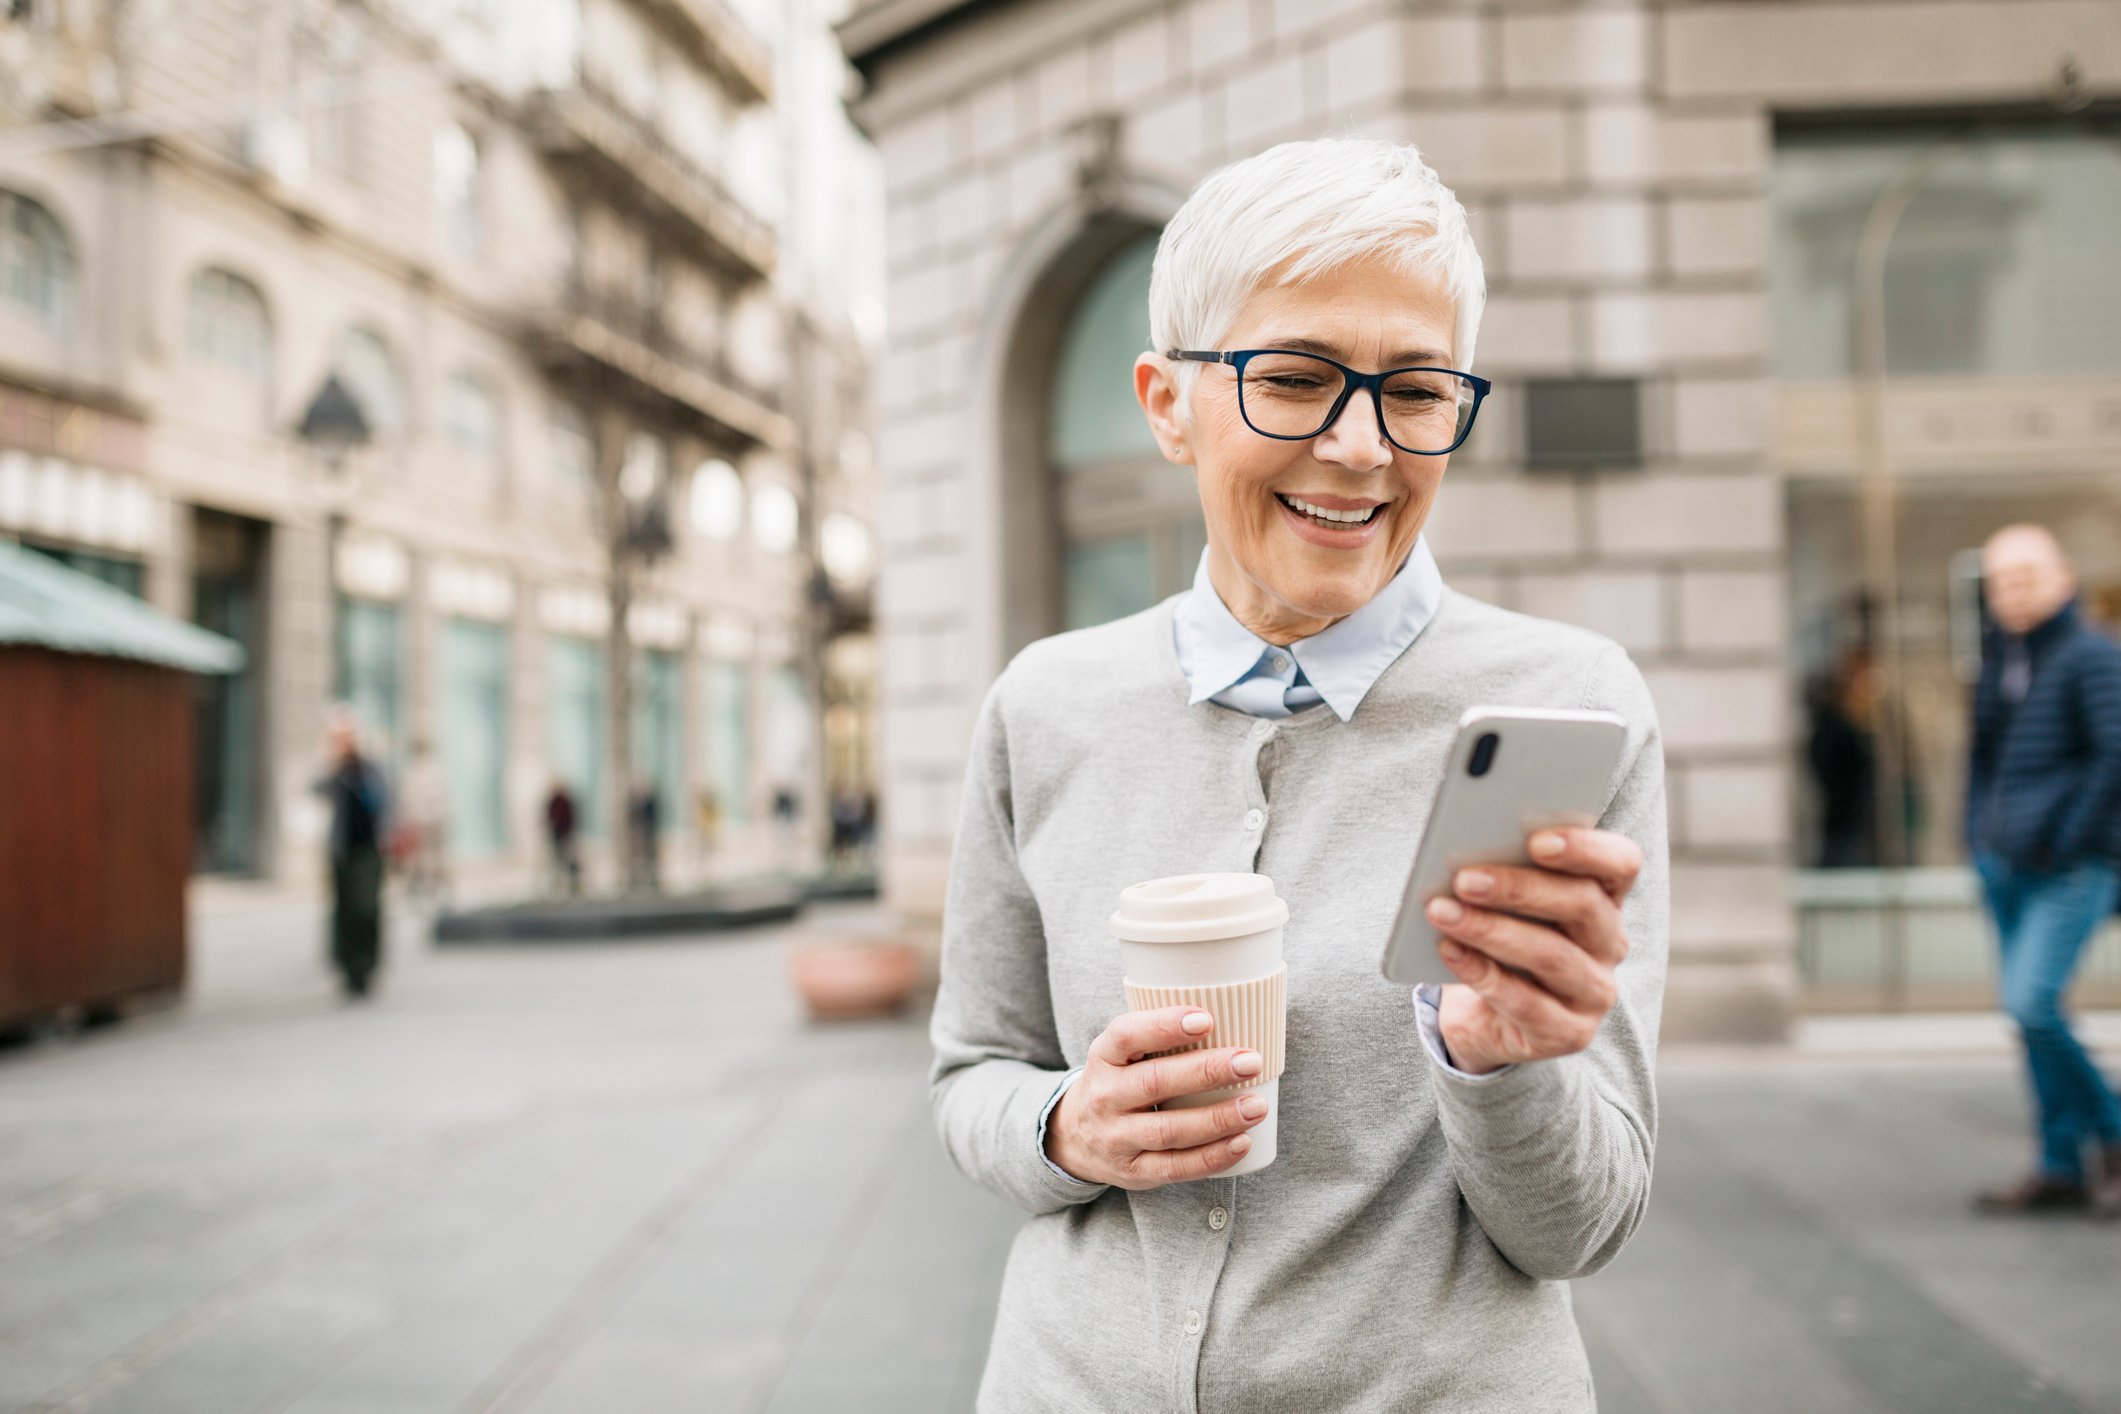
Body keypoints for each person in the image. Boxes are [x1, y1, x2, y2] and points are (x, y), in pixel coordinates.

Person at [930, 138, 1668, 1410]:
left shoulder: (1564, 708)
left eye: (1418, 391)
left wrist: (1500, 1065)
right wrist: (1068, 1128)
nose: (1363, 446)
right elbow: (971, 1073)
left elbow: (1579, 1228)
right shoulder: (1046, 705)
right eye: (1296, 378)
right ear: (1169, 403)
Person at [1966, 524, 2121, 1219]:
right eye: (2001, 580)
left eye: (2026, 576)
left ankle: (2111, 1134)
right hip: (2005, 866)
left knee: (2030, 1003)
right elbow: (1983, 765)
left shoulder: (2090, 655)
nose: (2014, 591)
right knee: (2031, 1020)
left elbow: (2113, 755)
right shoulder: (1999, 659)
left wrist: (2064, 839)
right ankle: (2060, 1163)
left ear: (2061, 578)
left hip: (2070, 865)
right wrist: (1977, 838)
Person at [315, 707, 389, 999]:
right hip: (341, 851)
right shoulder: (334, 770)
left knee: (366, 909)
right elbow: (314, 790)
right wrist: (328, 760)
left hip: (369, 850)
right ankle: (347, 968)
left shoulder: (372, 769)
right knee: (343, 912)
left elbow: (388, 804)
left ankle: (367, 965)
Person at [544, 780, 580, 896]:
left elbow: (569, 818)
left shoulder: (563, 801)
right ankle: (560, 883)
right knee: (559, 859)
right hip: (558, 834)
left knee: (566, 859)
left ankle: (570, 883)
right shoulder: (555, 801)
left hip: (564, 834)